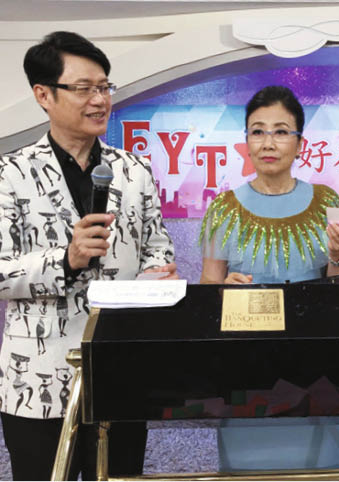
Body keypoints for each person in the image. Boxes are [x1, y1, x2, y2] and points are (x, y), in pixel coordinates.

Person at [0, 31, 177, 480]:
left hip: (121, 372)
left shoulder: (133, 169)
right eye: (84, 89)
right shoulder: (10, 173)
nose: (99, 100)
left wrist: (156, 277)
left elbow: (158, 248)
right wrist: (66, 259)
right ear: (43, 94)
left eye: (104, 87)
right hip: (36, 381)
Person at [199, 85, 339, 470]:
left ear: (300, 143)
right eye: (258, 131)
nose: (268, 142)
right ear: (246, 141)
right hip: (245, 364)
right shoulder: (222, 208)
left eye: (281, 131)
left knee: (317, 469)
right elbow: (207, 288)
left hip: (313, 361)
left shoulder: (329, 200)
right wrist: (223, 291)